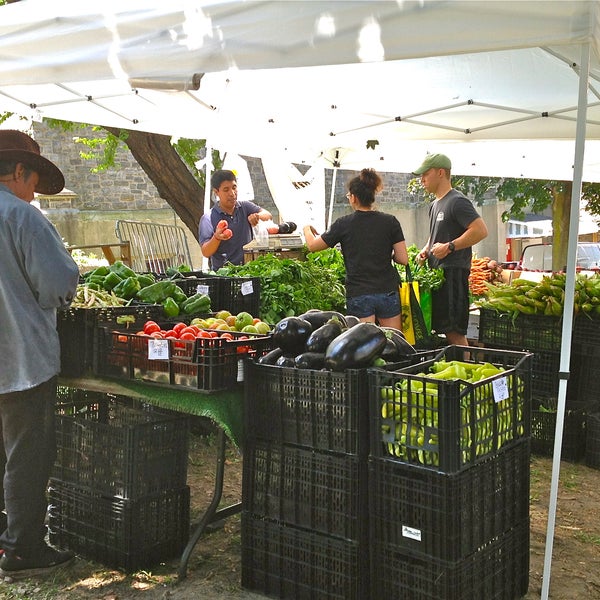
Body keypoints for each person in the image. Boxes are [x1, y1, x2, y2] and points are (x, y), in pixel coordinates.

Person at [0, 130, 80, 578]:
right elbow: (57, 283)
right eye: (32, 181)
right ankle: (22, 549)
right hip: (20, 357)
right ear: (18, 171)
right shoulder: (22, 218)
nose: (33, 192)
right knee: (27, 454)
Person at [303, 168, 408, 328]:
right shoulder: (390, 221)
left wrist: (306, 229)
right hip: (387, 291)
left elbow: (312, 246)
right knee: (394, 342)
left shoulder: (343, 224)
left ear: (353, 198)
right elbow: (403, 259)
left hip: (359, 293)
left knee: (364, 346)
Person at [413, 153, 488, 346]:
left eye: (425, 174)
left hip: (453, 274)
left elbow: (480, 230)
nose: (421, 179)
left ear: (440, 173)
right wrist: (425, 250)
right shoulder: (434, 205)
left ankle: (466, 372)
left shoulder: (458, 201)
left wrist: (451, 246)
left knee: (454, 333)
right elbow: (436, 234)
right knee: (444, 331)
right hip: (437, 276)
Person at [199, 169, 272, 271]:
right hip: (224, 274)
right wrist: (217, 237)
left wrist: (257, 216)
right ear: (216, 192)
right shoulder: (208, 218)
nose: (232, 193)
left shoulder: (245, 207)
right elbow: (206, 252)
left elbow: (267, 215)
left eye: (234, 187)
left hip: (249, 270)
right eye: (226, 190)